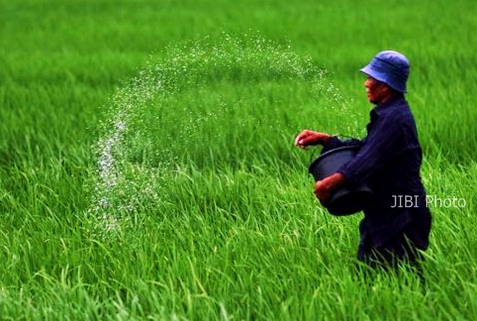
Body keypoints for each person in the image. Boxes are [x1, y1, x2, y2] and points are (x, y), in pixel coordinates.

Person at [295, 50, 432, 270]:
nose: (366, 84)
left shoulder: (393, 120)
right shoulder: (389, 114)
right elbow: (366, 148)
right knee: (373, 275)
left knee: (397, 278)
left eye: (371, 79)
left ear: (385, 85)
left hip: (402, 217)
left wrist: (327, 184)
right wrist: (326, 140)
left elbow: (364, 162)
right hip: (386, 213)